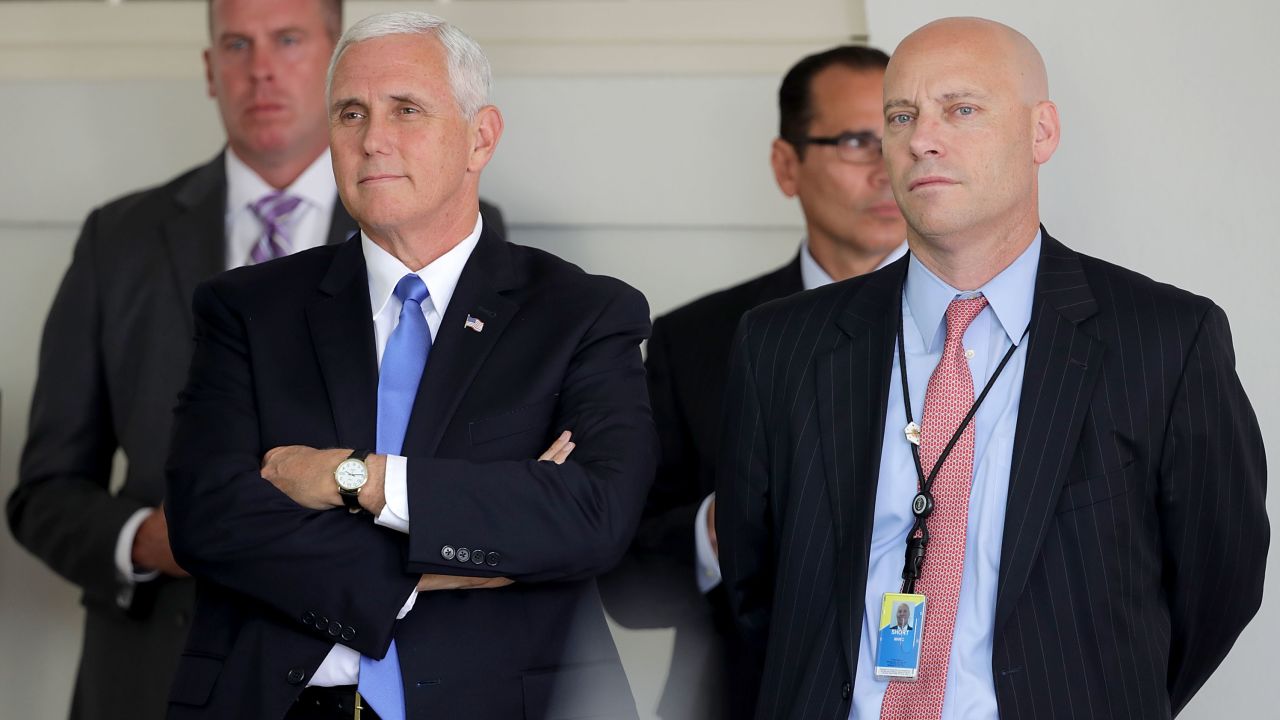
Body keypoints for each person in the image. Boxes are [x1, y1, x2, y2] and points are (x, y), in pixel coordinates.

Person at [717, 16, 1268, 720]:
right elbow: (754, 588)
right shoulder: (779, 344)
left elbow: (1219, 583)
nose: (922, 138)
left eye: (962, 109)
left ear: (1042, 134)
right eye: (900, 115)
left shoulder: (1166, 339)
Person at [163, 11, 655, 720]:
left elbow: (594, 516)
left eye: (407, 110)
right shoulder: (247, 309)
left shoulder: (582, 314)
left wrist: (350, 478)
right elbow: (210, 520)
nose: (373, 141)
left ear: (479, 137)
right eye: (351, 113)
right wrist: (446, 554)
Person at [6, 2, 359, 718]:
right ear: (210, 68)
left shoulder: (431, 229)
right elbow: (43, 493)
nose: (260, 67)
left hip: (361, 675)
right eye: (237, 44)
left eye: (287, 40)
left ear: (337, 61)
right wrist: (147, 542)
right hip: (150, 679)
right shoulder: (119, 240)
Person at [599, 45, 907, 719]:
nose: (891, 169)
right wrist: (724, 522)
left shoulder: (989, 326)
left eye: (905, 133)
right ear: (786, 166)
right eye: (860, 141)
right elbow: (624, 576)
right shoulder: (699, 341)